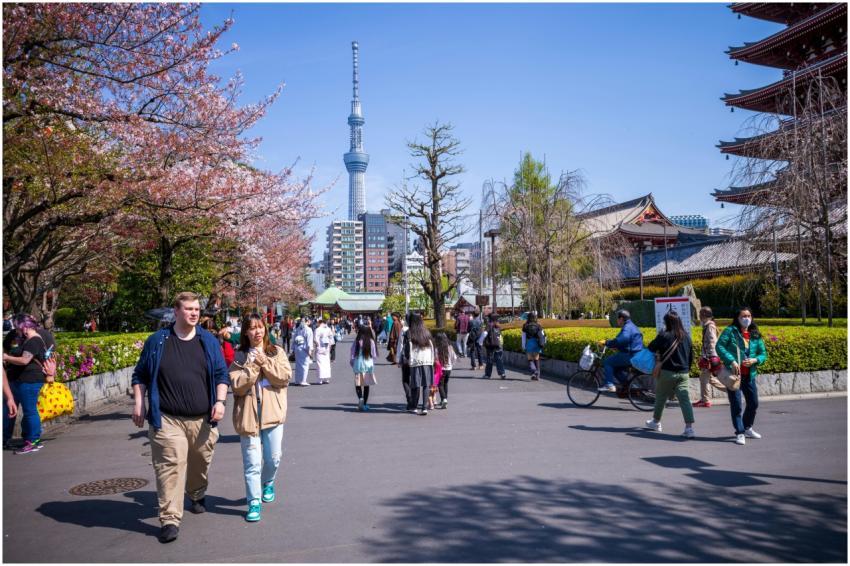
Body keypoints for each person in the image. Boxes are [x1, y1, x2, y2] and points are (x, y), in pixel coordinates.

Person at [131, 292, 229, 544]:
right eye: (188, 309)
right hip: (167, 418)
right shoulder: (157, 341)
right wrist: (139, 403)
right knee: (170, 466)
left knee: (199, 462)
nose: (194, 313)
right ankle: (170, 518)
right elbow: (140, 374)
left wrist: (220, 402)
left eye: (197, 309)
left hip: (203, 419)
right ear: (176, 311)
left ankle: (196, 493)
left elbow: (221, 374)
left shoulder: (208, 341)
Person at [229, 313, 291, 523]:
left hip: (273, 414)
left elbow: (284, 378)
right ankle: (253, 502)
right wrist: (253, 365)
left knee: (274, 458)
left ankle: (268, 481)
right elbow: (237, 386)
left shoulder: (276, 352)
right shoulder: (239, 357)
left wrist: (265, 362)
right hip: (248, 416)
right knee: (252, 464)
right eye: (252, 328)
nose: (257, 331)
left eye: (260, 327)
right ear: (245, 332)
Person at [2, 314, 55, 454]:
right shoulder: (29, 340)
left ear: (24, 327)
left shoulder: (34, 340)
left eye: (18, 328)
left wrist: (6, 357)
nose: (16, 331)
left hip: (29, 381)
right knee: (26, 410)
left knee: (30, 411)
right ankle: (29, 440)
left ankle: (33, 440)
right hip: (22, 381)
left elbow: (25, 360)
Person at [716, 307, 767, 446]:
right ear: (737, 318)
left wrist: (755, 360)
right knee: (737, 405)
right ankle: (739, 432)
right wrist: (731, 361)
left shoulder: (754, 334)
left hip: (749, 375)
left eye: (749, 316)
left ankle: (747, 427)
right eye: (743, 316)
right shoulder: (730, 331)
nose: (747, 319)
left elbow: (763, 353)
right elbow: (719, 347)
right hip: (734, 376)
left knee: (754, 403)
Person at [644, 311, 696, 438]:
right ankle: (689, 428)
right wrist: (686, 370)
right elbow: (691, 357)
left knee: (661, 398)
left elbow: (650, 347)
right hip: (683, 373)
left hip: (667, 372)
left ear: (667, 322)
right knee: (685, 400)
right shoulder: (687, 337)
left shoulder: (664, 335)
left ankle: (656, 422)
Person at [598, 309, 644, 392]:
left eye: (617, 318)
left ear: (621, 319)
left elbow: (622, 339)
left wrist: (606, 342)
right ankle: (629, 386)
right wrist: (616, 346)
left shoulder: (627, 327)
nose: (617, 320)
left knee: (608, 362)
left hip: (630, 355)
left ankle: (609, 385)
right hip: (635, 354)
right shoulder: (631, 326)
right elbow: (626, 341)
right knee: (615, 369)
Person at [695, 306, 725, 408]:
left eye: (700, 314)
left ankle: (705, 401)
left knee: (704, 378)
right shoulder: (707, 325)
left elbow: (713, 341)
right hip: (709, 356)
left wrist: (709, 356)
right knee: (709, 379)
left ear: (704, 315)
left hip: (709, 357)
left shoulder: (710, 326)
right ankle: (732, 390)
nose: (699, 316)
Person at [406, 313, 435, 415]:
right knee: (426, 384)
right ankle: (424, 407)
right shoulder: (426, 332)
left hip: (415, 361)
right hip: (427, 360)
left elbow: (407, 349)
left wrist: (406, 358)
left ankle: (414, 406)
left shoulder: (410, 333)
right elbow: (432, 345)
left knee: (416, 384)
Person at [350, 326, 377, 412]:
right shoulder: (371, 342)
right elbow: (374, 354)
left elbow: (352, 352)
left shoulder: (357, 341)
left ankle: (360, 398)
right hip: (368, 364)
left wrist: (352, 362)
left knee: (358, 384)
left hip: (358, 364)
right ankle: (364, 404)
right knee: (366, 385)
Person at [433, 332, 456, 409]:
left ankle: (444, 399)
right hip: (449, 369)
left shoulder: (437, 349)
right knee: (445, 384)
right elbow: (454, 358)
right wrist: (451, 364)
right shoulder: (450, 347)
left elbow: (435, 359)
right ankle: (445, 399)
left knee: (440, 384)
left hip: (441, 369)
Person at [478, 314, 506, 380]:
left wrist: (480, 342)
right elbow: (500, 336)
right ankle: (502, 373)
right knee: (499, 359)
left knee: (490, 360)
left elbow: (485, 333)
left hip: (490, 345)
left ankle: (487, 375)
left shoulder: (489, 325)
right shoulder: (498, 326)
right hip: (498, 345)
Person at [521, 312, 545, 381]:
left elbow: (523, 337)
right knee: (536, 359)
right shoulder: (538, 325)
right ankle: (537, 375)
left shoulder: (525, 325)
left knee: (530, 359)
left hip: (529, 343)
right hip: (537, 343)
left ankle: (534, 371)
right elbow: (542, 335)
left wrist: (523, 346)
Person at [291, 319, 313, 386]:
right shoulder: (308, 329)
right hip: (304, 348)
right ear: (307, 322)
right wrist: (310, 350)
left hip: (297, 348)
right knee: (305, 365)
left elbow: (294, 339)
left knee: (298, 365)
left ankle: (297, 381)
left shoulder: (298, 329)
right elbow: (309, 341)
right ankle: (303, 380)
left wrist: (293, 349)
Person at [313, 319, 335, 385]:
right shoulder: (328, 329)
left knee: (320, 363)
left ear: (320, 323)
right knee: (326, 363)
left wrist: (316, 345)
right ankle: (327, 378)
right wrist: (330, 345)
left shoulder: (318, 329)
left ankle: (320, 379)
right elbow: (331, 337)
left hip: (320, 347)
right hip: (327, 347)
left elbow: (315, 339)